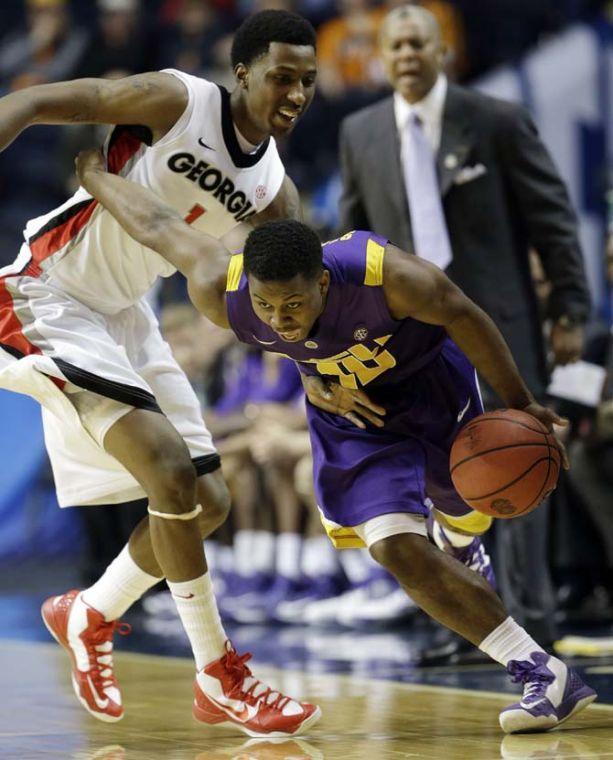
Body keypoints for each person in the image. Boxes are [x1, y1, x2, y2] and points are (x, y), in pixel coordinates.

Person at [74, 149, 597, 734]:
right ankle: (541, 672)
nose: (281, 320)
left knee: (465, 506)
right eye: (268, 307)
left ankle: (460, 536)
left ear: (323, 281)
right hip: (354, 416)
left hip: (428, 386)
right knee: (394, 547)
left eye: (295, 304)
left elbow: (465, 316)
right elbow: (159, 227)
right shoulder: (221, 294)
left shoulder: (386, 275)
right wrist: (97, 177)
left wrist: (520, 402)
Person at [0, 10, 321, 737]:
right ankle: (219, 674)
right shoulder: (178, 99)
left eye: (307, 81)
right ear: (242, 73)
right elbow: (40, 101)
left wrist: (323, 366)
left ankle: (89, 613)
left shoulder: (276, 193)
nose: (295, 92)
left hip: (127, 312)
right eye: (281, 76)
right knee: (171, 476)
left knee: (206, 499)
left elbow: (292, 295)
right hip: (46, 291)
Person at [336, 4, 591, 655]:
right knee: (437, 482)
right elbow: (352, 245)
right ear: (383, 55)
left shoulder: (494, 120)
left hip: (497, 329)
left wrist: (568, 309)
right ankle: (467, 628)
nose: (406, 56)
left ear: (442, 51)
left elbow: (552, 219)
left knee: (515, 461)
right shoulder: (359, 133)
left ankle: (531, 618)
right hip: (407, 346)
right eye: (395, 46)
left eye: (418, 44)